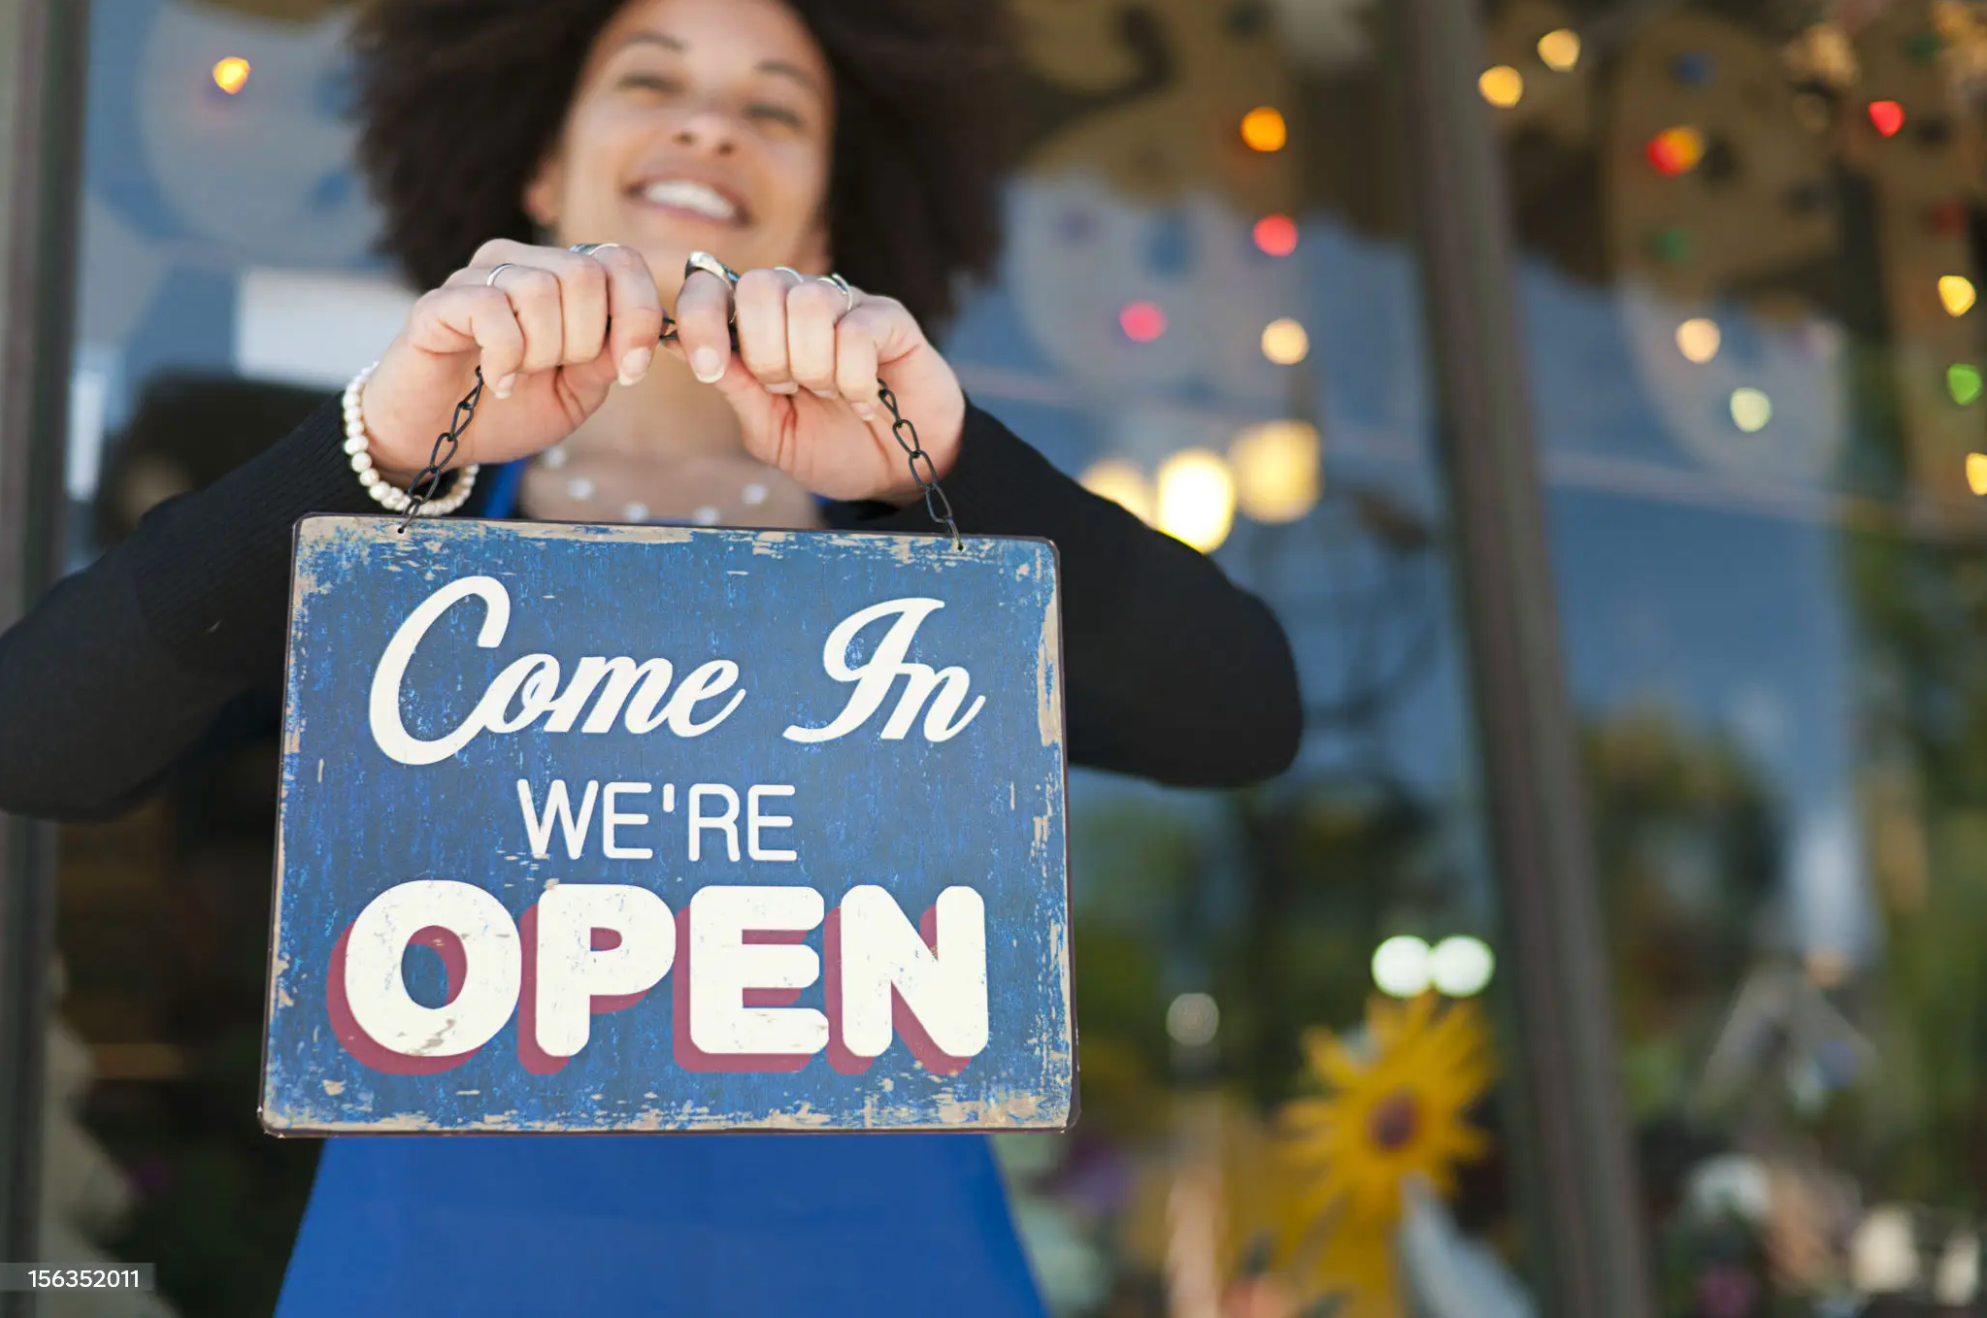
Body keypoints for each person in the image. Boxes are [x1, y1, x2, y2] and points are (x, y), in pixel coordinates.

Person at [0, 0, 1302, 1310]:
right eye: (649, 78)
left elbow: (1239, 713)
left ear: (827, 218)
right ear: (541, 172)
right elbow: (41, 738)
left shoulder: (921, 537)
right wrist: (376, 455)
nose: (708, 123)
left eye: (774, 107)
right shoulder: (394, 510)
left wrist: (947, 465)